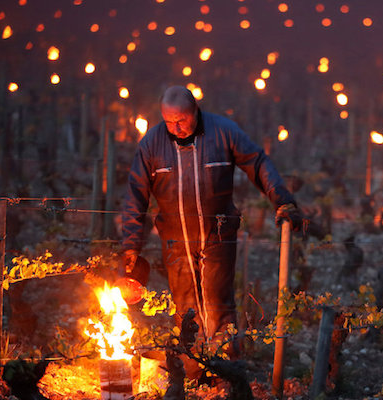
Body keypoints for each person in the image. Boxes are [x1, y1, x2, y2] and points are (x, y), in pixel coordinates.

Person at [120, 86, 300, 368]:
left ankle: (226, 370)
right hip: (175, 239)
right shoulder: (151, 144)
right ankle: (192, 371)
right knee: (185, 309)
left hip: (218, 234)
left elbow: (257, 162)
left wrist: (281, 199)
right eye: (170, 122)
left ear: (195, 112)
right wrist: (131, 244)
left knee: (218, 306)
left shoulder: (223, 132)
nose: (177, 128)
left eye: (182, 121)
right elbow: (135, 194)